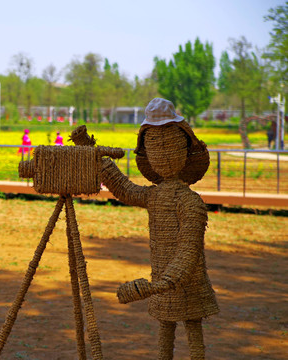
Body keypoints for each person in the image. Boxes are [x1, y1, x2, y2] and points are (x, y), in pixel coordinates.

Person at [100, 98, 219, 359]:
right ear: (147, 153)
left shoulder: (190, 202)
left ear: (185, 150)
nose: (162, 152)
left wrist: (165, 281)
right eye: (155, 145)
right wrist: (102, 164)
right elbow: (126, 190)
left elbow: (189, 249)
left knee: (192, 330)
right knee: (164, 331)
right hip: (162, 280)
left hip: (185, 281)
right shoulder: (155, 196)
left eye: (168, 144)